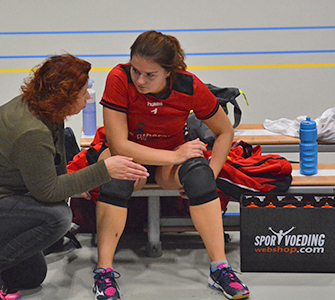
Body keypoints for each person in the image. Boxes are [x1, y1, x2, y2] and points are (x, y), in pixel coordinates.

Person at [0, 54, 149, 300]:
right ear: (64, 98)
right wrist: (103, 171)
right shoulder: (32, 132)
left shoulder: (44, 111)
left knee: (31, 275)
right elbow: (47, 192)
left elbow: (55, 175)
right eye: (82, 93)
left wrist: (79, 183)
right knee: (57, 218)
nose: (88, 97)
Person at [92, 31, 250, 300]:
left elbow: (225, 132)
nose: (140, 80)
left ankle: (220, 268)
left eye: (150, 75)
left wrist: (211, 174)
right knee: (117, 174)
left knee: (200, 175)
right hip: (134, 158)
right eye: (136, 71)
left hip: (168, 164)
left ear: (169, 72)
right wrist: (174, 156)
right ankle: (103, 272)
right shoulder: (118, 78)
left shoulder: (189, 87)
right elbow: (119, 146)